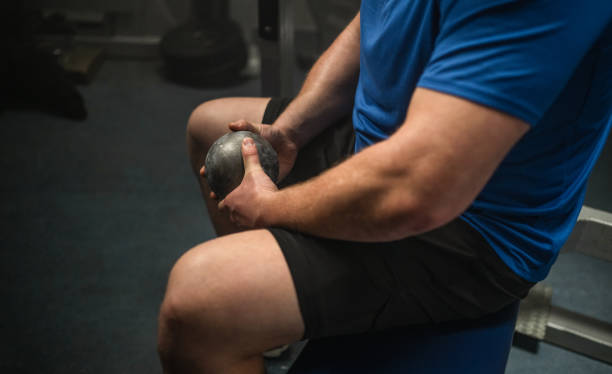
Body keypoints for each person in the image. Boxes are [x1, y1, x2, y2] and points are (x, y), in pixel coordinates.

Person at [158, 1, 612, 373]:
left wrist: (270, 209)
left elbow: (417, 189)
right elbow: (377, 20)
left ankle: (247, 315)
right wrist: (292, 130)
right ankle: (269, 323)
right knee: (210, 129)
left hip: (468, 226)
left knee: (199, 303)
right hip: (385, 142)